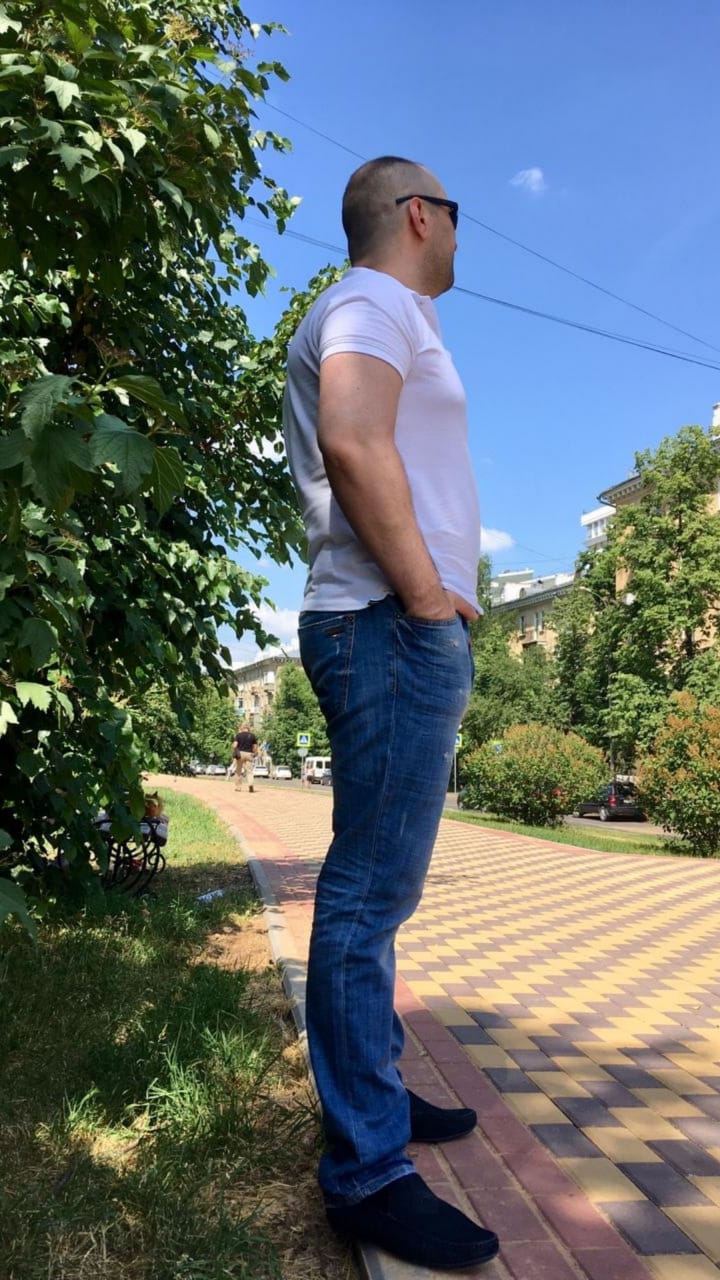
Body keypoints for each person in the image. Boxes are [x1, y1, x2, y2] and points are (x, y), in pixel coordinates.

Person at [282, 157, 499, 1270]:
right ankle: (367, 1171)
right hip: (385, 622)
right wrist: (424, 596)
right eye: (455, 213)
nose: (460, 231)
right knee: (367, 898)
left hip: (381, 622)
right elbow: (357, 440)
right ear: (419, 215)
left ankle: (374, 1097)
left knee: (378, 892)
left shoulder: (381, 307)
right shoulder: (374, 299)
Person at [231, 723, 258, 792]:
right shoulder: (252, 736)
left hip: (240, 754)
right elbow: (255, 747)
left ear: (242, 728)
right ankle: (250, 784)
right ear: (248, 728)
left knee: (238, 771)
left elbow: (235, 745)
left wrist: (234, 749)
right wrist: (255, 753)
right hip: (249, 754)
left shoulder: (238, 735)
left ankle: (238, 787)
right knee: (249, 771)